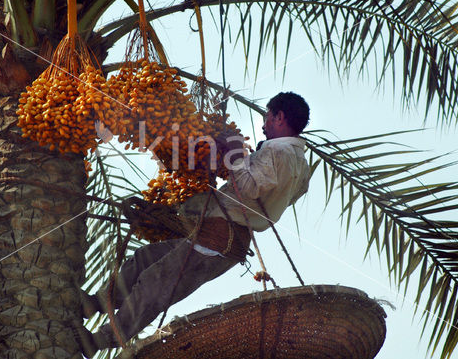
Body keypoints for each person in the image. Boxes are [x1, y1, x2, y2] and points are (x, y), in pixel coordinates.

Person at [75, 92, 311, 357]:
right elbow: (274, 196)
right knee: (145, 259)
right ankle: (93, 304)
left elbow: (246, 187)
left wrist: (233, 151)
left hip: (220, 240)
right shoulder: (300, 164)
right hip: (213, 234)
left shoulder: (279, 153)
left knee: (156, 283)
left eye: (267, 116)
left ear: (280, 117)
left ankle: (100, 340)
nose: (263, 124)